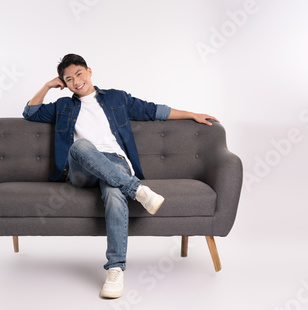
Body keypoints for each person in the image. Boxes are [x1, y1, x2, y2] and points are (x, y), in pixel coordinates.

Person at [23, 54, 218, 299]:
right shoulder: (63, 106)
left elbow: (152, 110)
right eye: (68, 79)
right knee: (80, 147)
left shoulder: (116, 98)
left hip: (115, 162)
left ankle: (115, 269)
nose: (76, 82)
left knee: (114, 191)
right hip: (81, 168)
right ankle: (137, 190)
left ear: (90, 71)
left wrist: (192, 114)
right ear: (64, 83)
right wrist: (48, 86)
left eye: (79, 74)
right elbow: (30, 113)